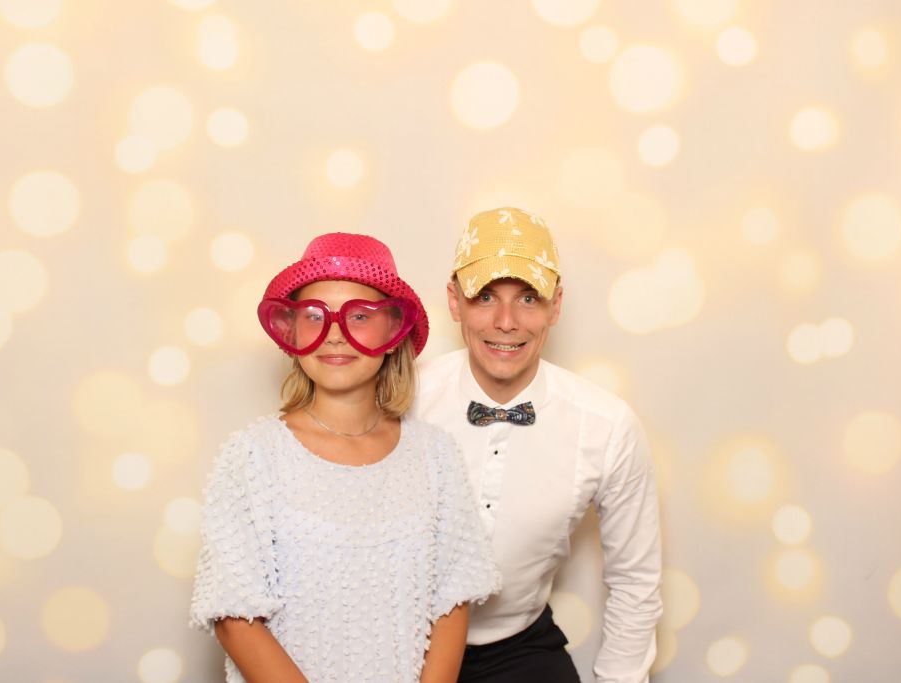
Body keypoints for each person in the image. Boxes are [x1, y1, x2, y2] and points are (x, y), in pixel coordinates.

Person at [190, 233, 499, 683]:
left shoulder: (436, 456)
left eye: (359, 315)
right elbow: (235, 615)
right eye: (315, 316)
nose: (335, 334)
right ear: (292, 332)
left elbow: (453, 600)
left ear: (394, 332)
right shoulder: (253, 457)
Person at [414, 208, 662, 683]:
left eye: (528, 298)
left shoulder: (607, 427)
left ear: (556, 305)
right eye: (485, 297)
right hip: (400, 641)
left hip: (520, 647)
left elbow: (635, 582)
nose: (506, 322)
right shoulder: (401, 398)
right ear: (454, 301)